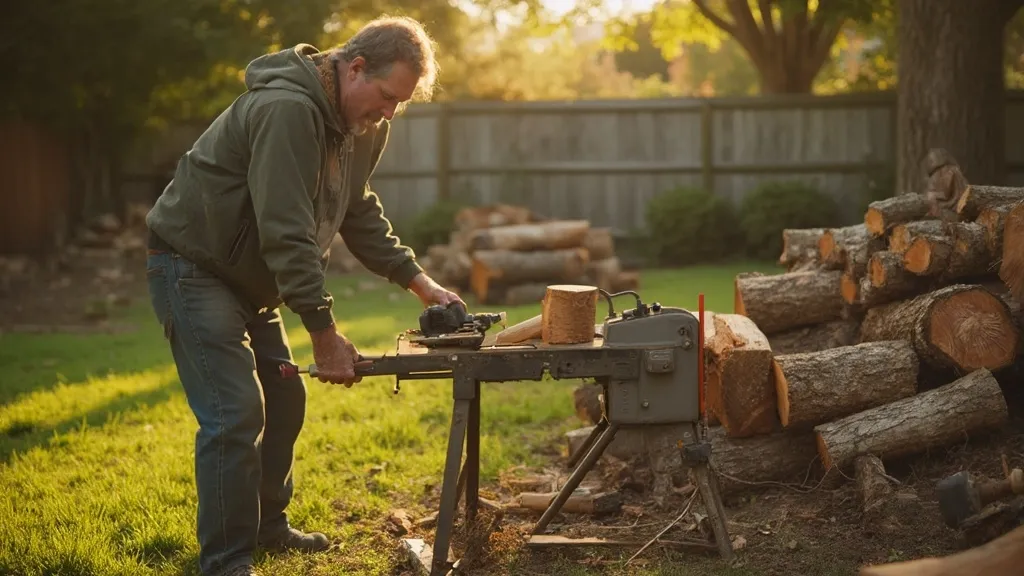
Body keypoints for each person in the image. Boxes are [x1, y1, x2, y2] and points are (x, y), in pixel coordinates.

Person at [144, 16, 463, 576]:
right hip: (193, 267)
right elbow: (286, 230)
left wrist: (422, 283)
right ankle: (226, 561)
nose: (390, 113)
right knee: (234, 414)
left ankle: (267, 528)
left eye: (400, 103)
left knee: (285, 399)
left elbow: (356, 210)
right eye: (388, 97)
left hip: (251, 278)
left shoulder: (360, 123)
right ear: (355, 67)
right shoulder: (286, 109)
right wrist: (324, 332)